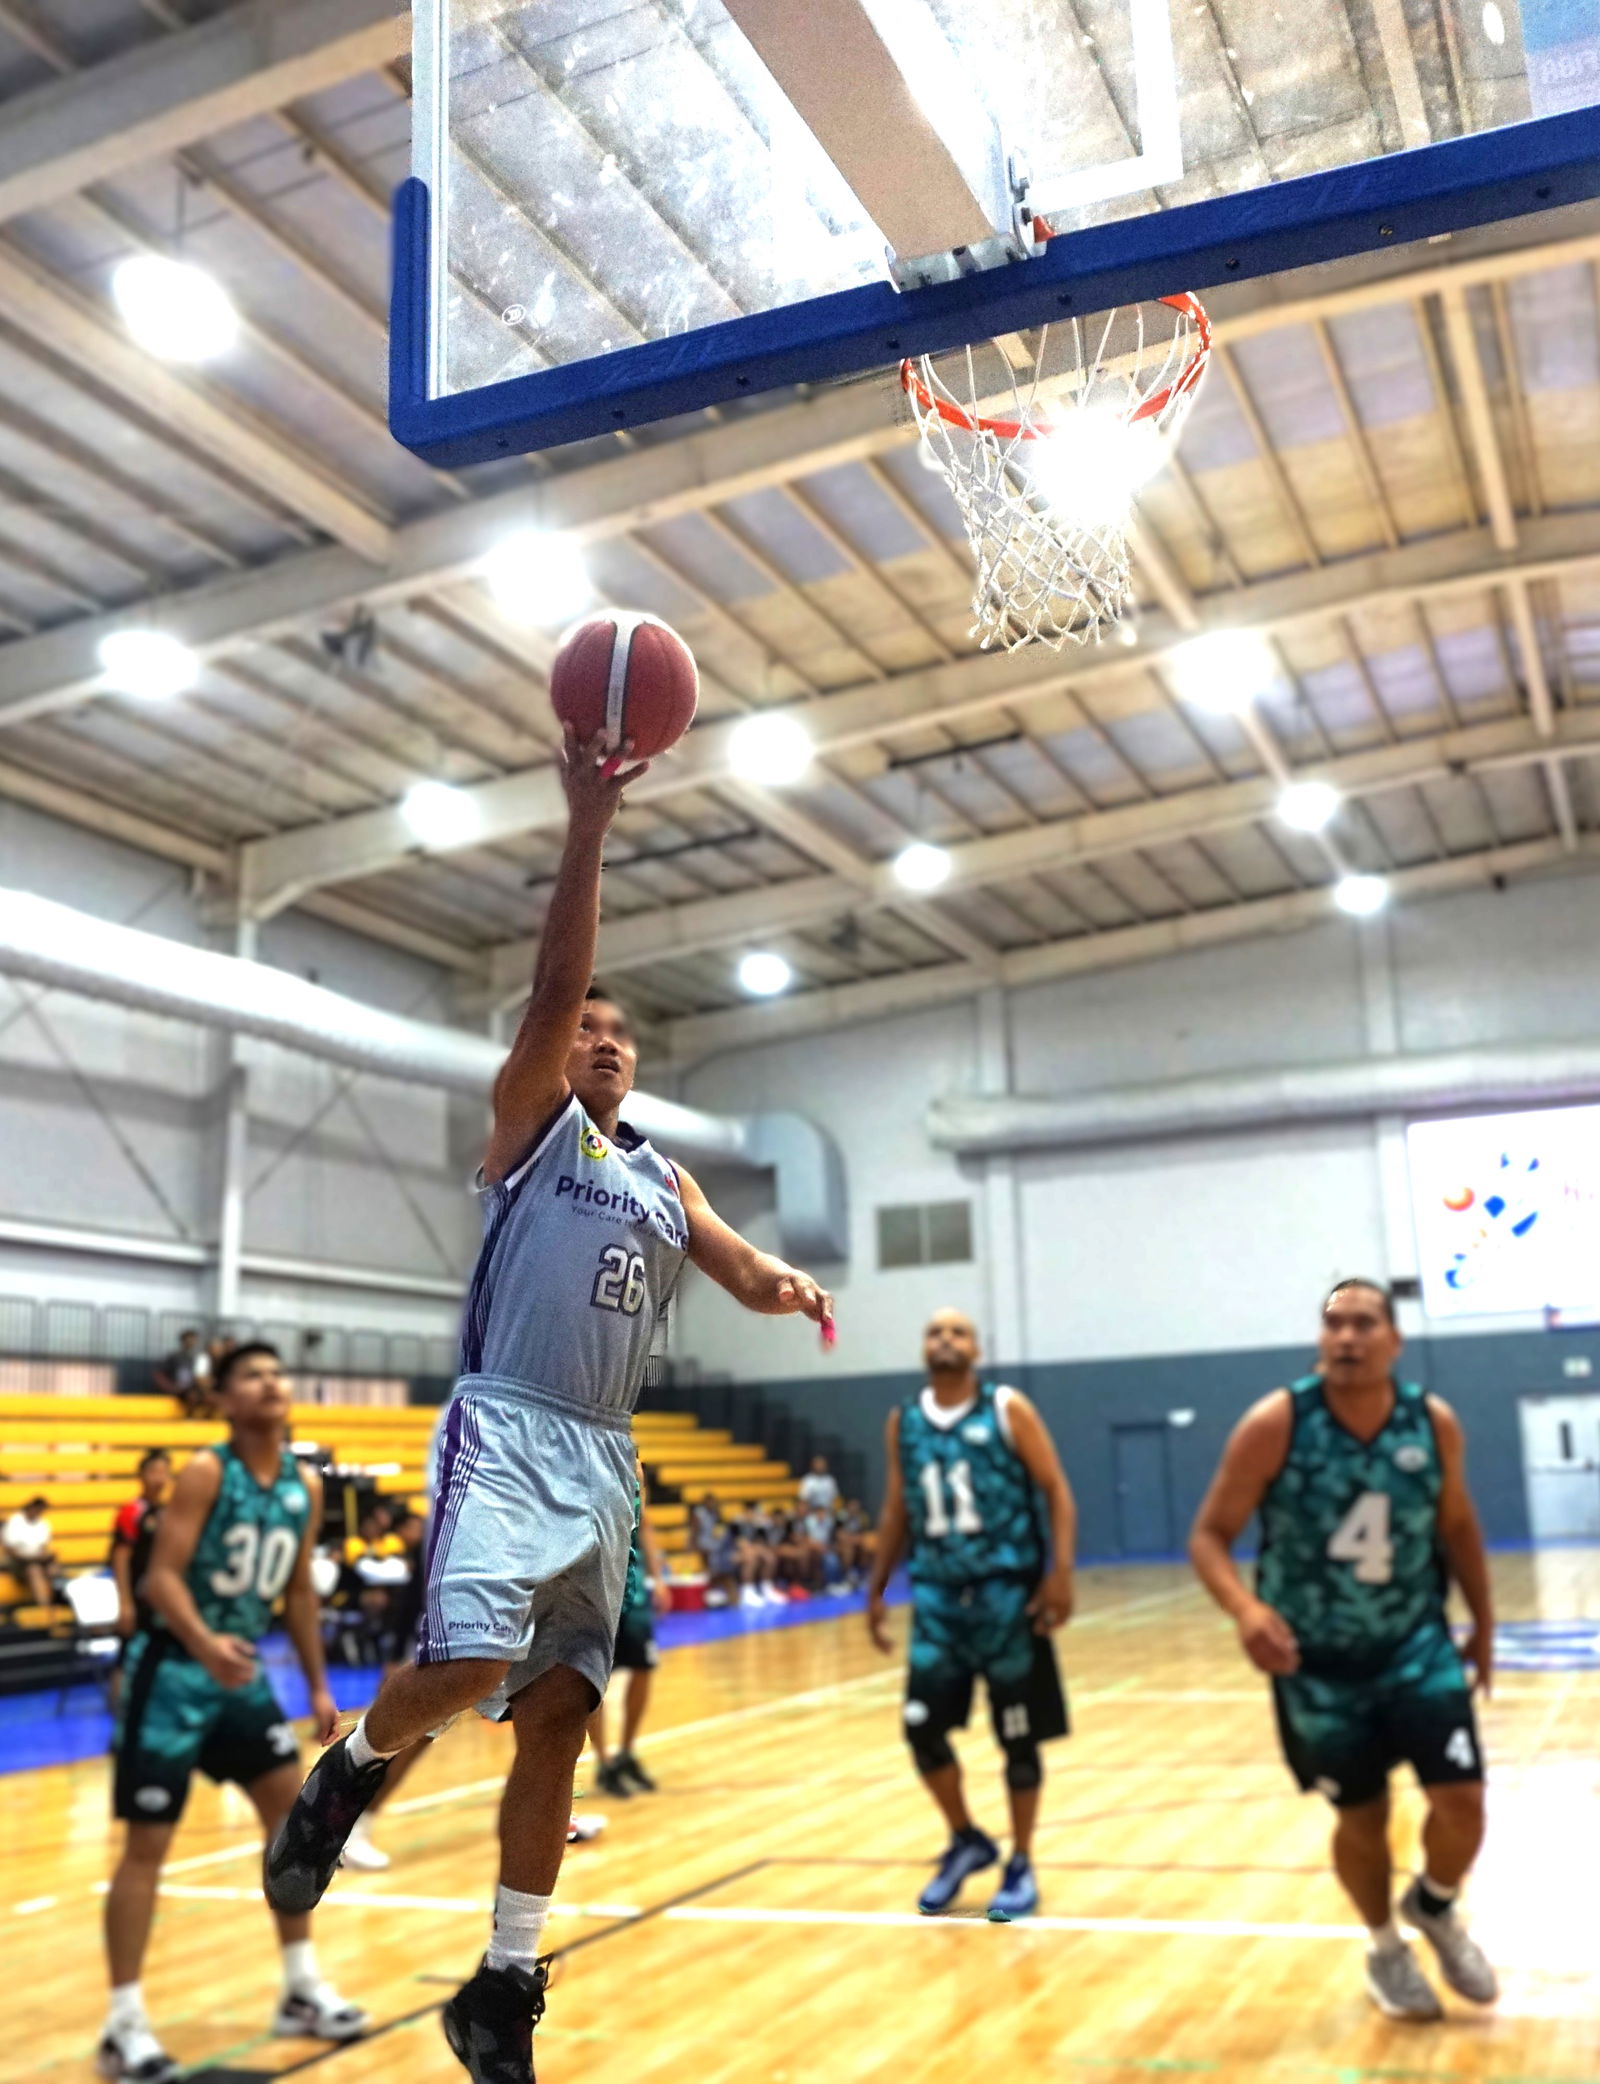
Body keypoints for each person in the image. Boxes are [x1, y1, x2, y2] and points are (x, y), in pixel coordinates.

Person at [264, 723, 834, 2084]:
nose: (601, 1036)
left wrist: (787, 1286)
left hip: (605, 1453)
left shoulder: (663, 1176)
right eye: (585, 1026)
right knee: (470, 1666)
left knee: (563, 1712)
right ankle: (350, 1766)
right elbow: (556, 983)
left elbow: (739, 1268)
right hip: (510, 1424)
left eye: (618, 1032)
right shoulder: (533, 1128)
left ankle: (503, 1983)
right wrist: (589, 823)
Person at [1189, 1278, 1497, 2023]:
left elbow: (1457, 1526)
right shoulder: (1277, 1423)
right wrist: (1246, 1610)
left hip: (1415, 1645)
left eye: (1363, 1324)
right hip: (1317, 1667)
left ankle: (1434, 1905)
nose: (1346, 1337)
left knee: (1463, 1801)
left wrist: (1484, 1623)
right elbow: (1209, 1536)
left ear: (1394, 1341)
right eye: (1333, 1324)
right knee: (1361, 1817)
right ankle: (1384, 1946)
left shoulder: (1431, 1423)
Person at [100, 1344, 366, 2082]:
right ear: (222, 1398)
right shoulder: (206, 1472)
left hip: (240, 1678)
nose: (271, 1381)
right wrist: (204, 1643)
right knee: (147, 1845)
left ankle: (301, 1988)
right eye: (252, 1374)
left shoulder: (305, 1484)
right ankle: (123, 2025)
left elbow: (300, 1592)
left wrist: (317, 1685)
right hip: (173, 1674)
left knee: (292, 1829)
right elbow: (161, 1579)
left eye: (277, 1371)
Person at [866, 1307, 1076, 1922]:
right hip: (936, 1601)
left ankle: (1021, 1861)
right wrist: (876, 1588)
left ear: (976, 1351)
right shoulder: (904, 1419)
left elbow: (1056, 1489)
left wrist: (1060, 1573)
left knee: (1018, 1738)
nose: (945, 1339)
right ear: (924, 1348)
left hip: (1007, 1598)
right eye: (935, 1332)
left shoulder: (1007, 1409)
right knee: (921, 1730)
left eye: (958, 1332)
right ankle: (966, 1839)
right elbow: (897, 1508)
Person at [343, 1509, 432, 1873]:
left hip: (489, 1634)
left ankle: (559, 1814)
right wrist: (395, 1657)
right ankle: (348, 1828)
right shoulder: (453, 1515)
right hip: (439, 1641)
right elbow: (413, 1597)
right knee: (409, 1738)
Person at [589, 1476, 673, 1797]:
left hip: (633, 1589)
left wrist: (659, 1578)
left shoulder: (634, 1466)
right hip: (596, 1588)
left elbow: (645, 1522)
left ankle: (625, 1753)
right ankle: (604, 1762)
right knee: (594, 1679)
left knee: (643, 1667)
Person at [110, 1450, 171, 1640]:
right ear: (141, 1476)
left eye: (164, 1472)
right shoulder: (131, 1512)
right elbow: (120, 1557)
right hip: (137, 1595)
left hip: (162, 1598)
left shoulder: (169, 1512)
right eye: (154, 1472)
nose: (159, 1478)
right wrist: (125, 1603)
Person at [3, 1494, 57, 1609]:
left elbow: (43, 1548)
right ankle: (44, 1607)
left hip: (35, 1560)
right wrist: (30, 1558)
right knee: (34, 1570)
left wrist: (46, 1557)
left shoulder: (43, 1524)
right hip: (17, 1562)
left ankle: (58, 1602)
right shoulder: (15, 1522)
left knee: (53, 1570)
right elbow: (10, 1551)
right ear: (30, 1507)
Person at [153, 1329, 212, 1418]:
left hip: (194, 1389)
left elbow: (204, 1376)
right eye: (187, 1340)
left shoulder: (200, 1358)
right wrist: (170, 1387)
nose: (190, 1342)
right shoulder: (174, 1357)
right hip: (178, 1389)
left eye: (192, 1340)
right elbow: (160, 1374)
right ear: (182, 1341)